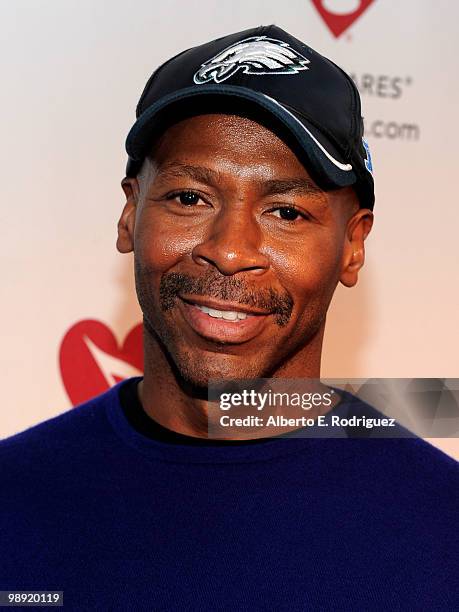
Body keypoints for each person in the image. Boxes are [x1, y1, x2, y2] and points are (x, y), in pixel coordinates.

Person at [1, 25, 457, 611]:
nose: (231, 248)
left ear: (352, 246)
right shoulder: (14, 497)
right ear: (129, 213)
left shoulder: (444, 530)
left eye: (286, 211)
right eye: (191, 198)